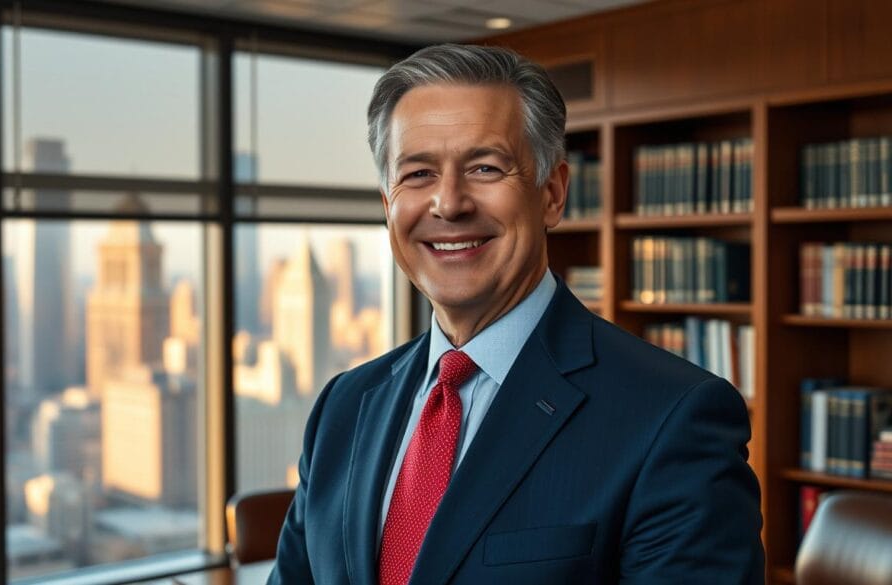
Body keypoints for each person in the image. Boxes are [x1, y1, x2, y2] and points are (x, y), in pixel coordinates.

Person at [268, 44, 764, 585]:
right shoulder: (343, 408)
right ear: (388, 204)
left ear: (552, 194)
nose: (449, 203)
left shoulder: (672, 419)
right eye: (417, 174)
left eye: (485, 167)